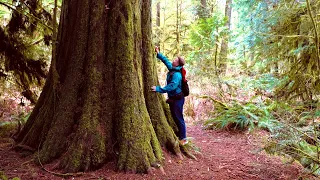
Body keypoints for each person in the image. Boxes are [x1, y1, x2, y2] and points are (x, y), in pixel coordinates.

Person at [151, 46, 188, 145]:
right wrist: (158, 54)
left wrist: (159, 89)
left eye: (175, 59)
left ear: (178, 63)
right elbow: (166, 61)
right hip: (173, 99)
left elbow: (172, 86)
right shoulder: (173, 69)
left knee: (178, 118)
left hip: (178, 99)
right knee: (175, 117)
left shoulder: (177, 75)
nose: (173, 60)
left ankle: (183, 138)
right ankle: (180, 135)